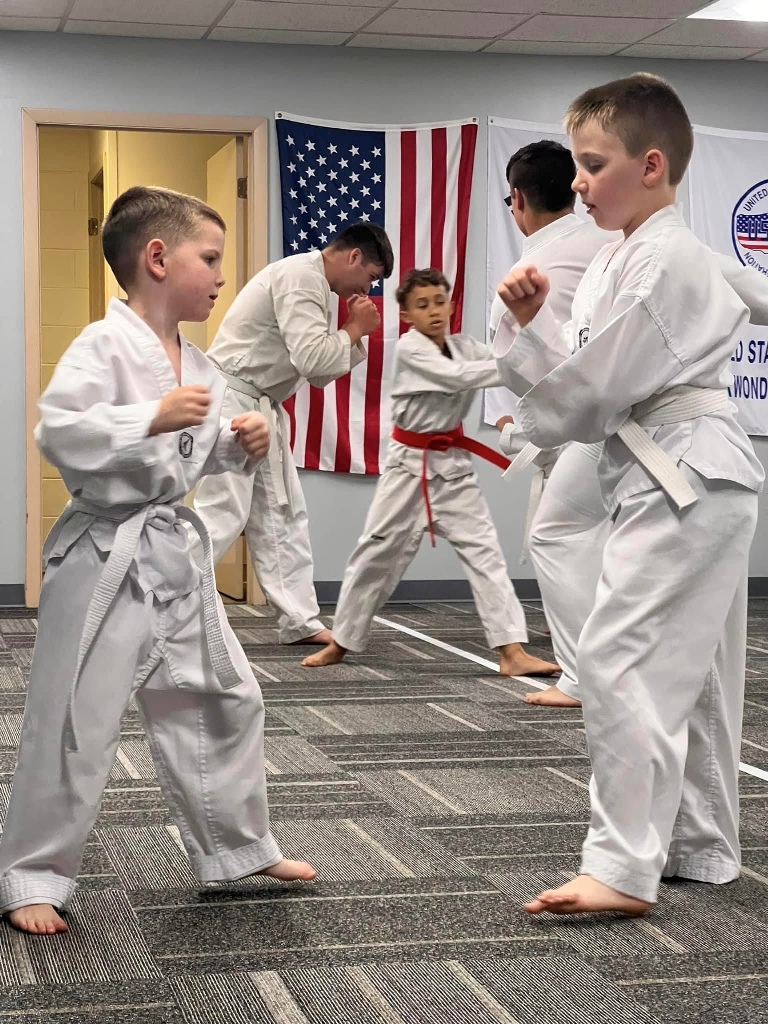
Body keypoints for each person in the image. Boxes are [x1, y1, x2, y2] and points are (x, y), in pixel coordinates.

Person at [0, 186, 315, 936]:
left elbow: (191, 452)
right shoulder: (102, 344)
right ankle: (31, 874)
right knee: (76, 717)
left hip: (171, 552)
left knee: (224, 698)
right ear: (157, 258)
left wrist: (238, 444)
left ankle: (236, 848)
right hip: (103, 555)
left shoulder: (200, 363)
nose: (221, 277)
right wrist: (148, 415)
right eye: (210, 258)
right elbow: (60, 432)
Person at [494, 73, 764, 917]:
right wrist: (535, 325)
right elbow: (588, 383)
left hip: (688, 470)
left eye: (592, 164)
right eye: (577, 164)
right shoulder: (620, 256)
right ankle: (698, 846)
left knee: (617, 657)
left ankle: (620, 866)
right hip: (672, 471)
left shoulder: (667, 257)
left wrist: (531, 405)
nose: (577, 183)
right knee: (693, 673)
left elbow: (594, 394)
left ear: (651, 166)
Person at [303, 268, 559, 678]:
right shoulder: (410, 350)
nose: (434, 311)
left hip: (454, 471)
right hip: (408, 470)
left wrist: (530, 333)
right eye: (422, 305)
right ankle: (341, 641)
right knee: (375, 555)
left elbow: (501, 362)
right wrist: (521, 354)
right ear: (406, 315)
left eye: (440, 301)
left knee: (486, 554)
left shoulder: (465, 346)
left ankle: (512, 651)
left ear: (451, 305)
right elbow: (461, 378)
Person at [191, 224, 393, 646]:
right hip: (233, 402)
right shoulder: (300, 277)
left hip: (258, 405)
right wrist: (355, 329)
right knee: (223, 513)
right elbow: (314, 362)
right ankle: (160, 600)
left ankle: (300, 621)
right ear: (354, 256)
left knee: (282, 516)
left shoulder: (312, 281)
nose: (368, 290)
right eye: (371, 277)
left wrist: (351, 332)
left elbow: (316, 371)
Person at [489, 141, 616, 705]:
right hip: (631, 421)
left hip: (596, 424)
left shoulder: (528, 272)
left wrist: (523, 425)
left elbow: (530, 370)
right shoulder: (613, 243)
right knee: (605, 545)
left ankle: (587, 675)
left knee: (558, 534)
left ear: (517, 198)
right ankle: (609, 668)